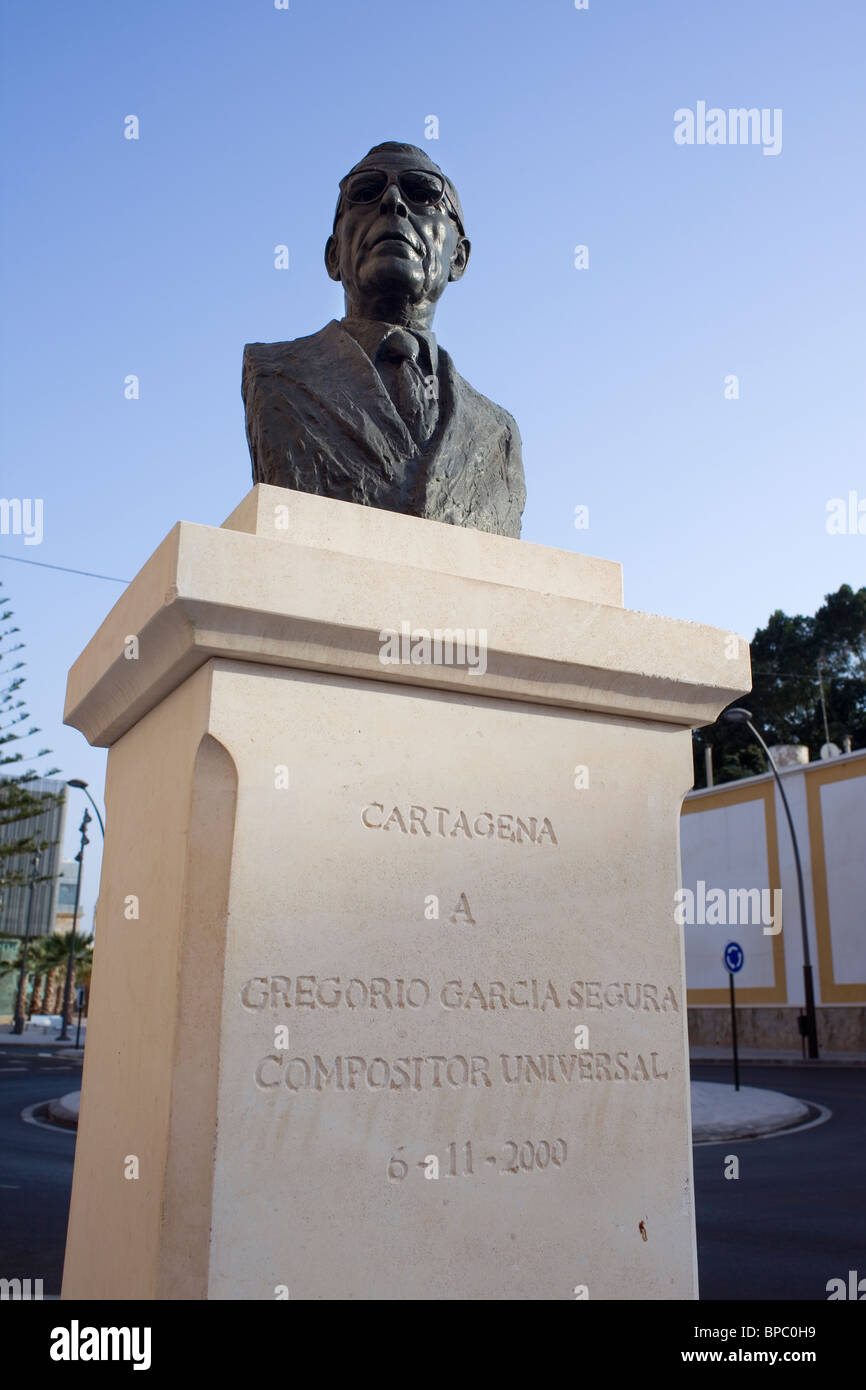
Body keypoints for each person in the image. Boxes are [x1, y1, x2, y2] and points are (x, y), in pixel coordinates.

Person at [242, 142, 526, 538]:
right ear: (333, 255)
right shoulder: (275, 374)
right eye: (365, 192)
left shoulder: (499, 433)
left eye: (423, 192)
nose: (393, 202)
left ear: (458, 258)